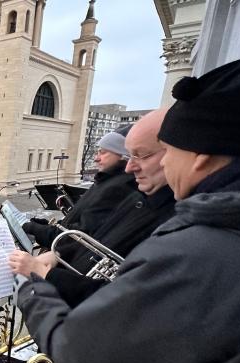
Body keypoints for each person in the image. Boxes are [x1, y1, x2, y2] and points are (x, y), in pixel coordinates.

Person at [14, 54, 240, 363]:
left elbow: (79, 351)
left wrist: (33, 285)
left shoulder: (200, 250)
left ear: (200, 156)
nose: (165, 165)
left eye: (170, 150)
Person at [10, 109, 176, 308]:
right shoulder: (138, 195)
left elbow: (119, 299)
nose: (131, 168)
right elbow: (94, 240)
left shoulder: (126, 190)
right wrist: (57, 255)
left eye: (140, 155)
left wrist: (45, 273)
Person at [23, 126, 137, 248]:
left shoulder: (116, 189)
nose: (96, 158)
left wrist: (35, 229)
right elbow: (75, 223)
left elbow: (79, 237)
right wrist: (47, 226)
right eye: (97, 152)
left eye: (103, 152)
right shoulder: (106, 181)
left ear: (123, 155)